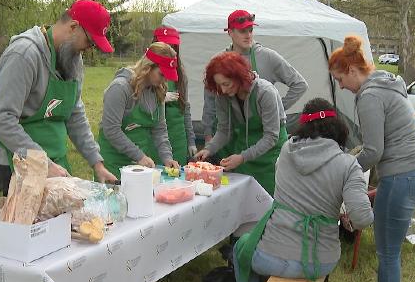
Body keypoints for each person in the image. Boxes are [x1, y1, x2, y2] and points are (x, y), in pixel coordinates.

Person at [329, 35, 415, 282]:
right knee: (390, 249)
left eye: (339, 79)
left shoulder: (370, 96)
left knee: (387, 252)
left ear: (351, 70)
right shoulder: (386, 84)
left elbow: (374, 151)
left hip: (403, 176)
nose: (341, 87)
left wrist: (347, 170)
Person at [233, 98, 374, 282]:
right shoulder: (348, 164)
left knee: (240, 247)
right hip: (321, 261)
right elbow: (363, 218)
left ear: (303, 126)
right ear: (339, 128)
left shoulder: (286, 150)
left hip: (272, 257)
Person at [0, 0, 117, 195]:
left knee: (65, 224)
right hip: (21, 164)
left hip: (56, 163)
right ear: (73, 27)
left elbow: (75, 112)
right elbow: (1, 118)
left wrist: (96, 162)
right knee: (32, 226)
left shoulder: (73, 59)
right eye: (89, 42)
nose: (88, 49)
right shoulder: (24, 55)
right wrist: (43, 164)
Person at [201, 10, 308, 147]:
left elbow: (300, 84)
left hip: (268, 135)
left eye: (250, 30)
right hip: (233, 136)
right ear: (230, 32)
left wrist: (276, 108)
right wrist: (208, 133)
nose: (248, 35)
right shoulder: (217, 61)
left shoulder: (267, 56)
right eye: (242, 31)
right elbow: (210, 100)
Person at [194, 51, 287, 196]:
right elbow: (224, 130)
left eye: (226, 84)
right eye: (219, 85)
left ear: (239, 77)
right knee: (245, 198)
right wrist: (209, 149)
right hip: (245, 152)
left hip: (271, 155)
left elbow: (271, 137)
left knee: (269, 199)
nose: (223, 89)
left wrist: (242, 157)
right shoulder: (222, 95)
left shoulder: (265, 92)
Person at [97, 42, 181, 179]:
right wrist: (139, 156)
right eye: (161, 74)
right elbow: (111, 130)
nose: (164, 80)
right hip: (113, 163)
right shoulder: (120, 88)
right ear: (148, 67)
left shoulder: (158, 91)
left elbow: (159, 128)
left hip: (138, 166)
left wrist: (167, 157)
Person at [152, 26, 197, 164]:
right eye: (164, 45)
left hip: (178, 138)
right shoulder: (147, 72)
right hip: (155, 139)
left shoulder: (181, 74)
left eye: (172, 46)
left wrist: (191, 141)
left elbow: (186, 108)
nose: (168, 50)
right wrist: (159, 99)